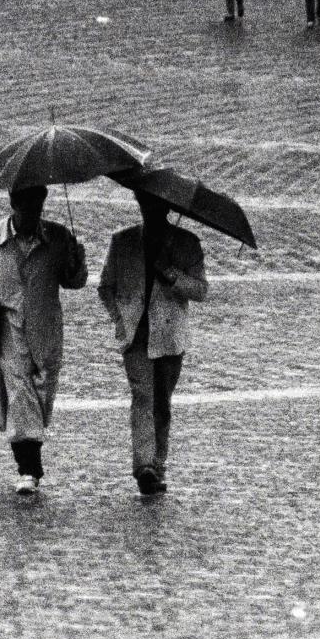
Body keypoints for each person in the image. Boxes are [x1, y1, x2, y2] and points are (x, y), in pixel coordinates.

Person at [0, 182, 88, 496]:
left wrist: (77, 259)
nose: (32, 214)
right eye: (26, 207)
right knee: (20, 396)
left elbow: (73, 281)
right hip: (9, 330)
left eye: (37, 207)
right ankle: (29, 470)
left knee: (40, 396)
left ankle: (29, 461)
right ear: (13, 204)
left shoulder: (58, 237)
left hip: (46, 330)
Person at [97, 189, 209, 498]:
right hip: (135, 335)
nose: (152, 211)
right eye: (146, 204)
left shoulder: (186, 243)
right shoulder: (123, 240)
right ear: (140, 204)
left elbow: (201, 289)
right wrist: (120, 319)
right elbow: (105, 286)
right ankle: (144, 465)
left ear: (168, 207)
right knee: (142, 396)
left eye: (158, 206)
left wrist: (172, 275)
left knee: (162, 402)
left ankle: (158, 464)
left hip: (170, 337)